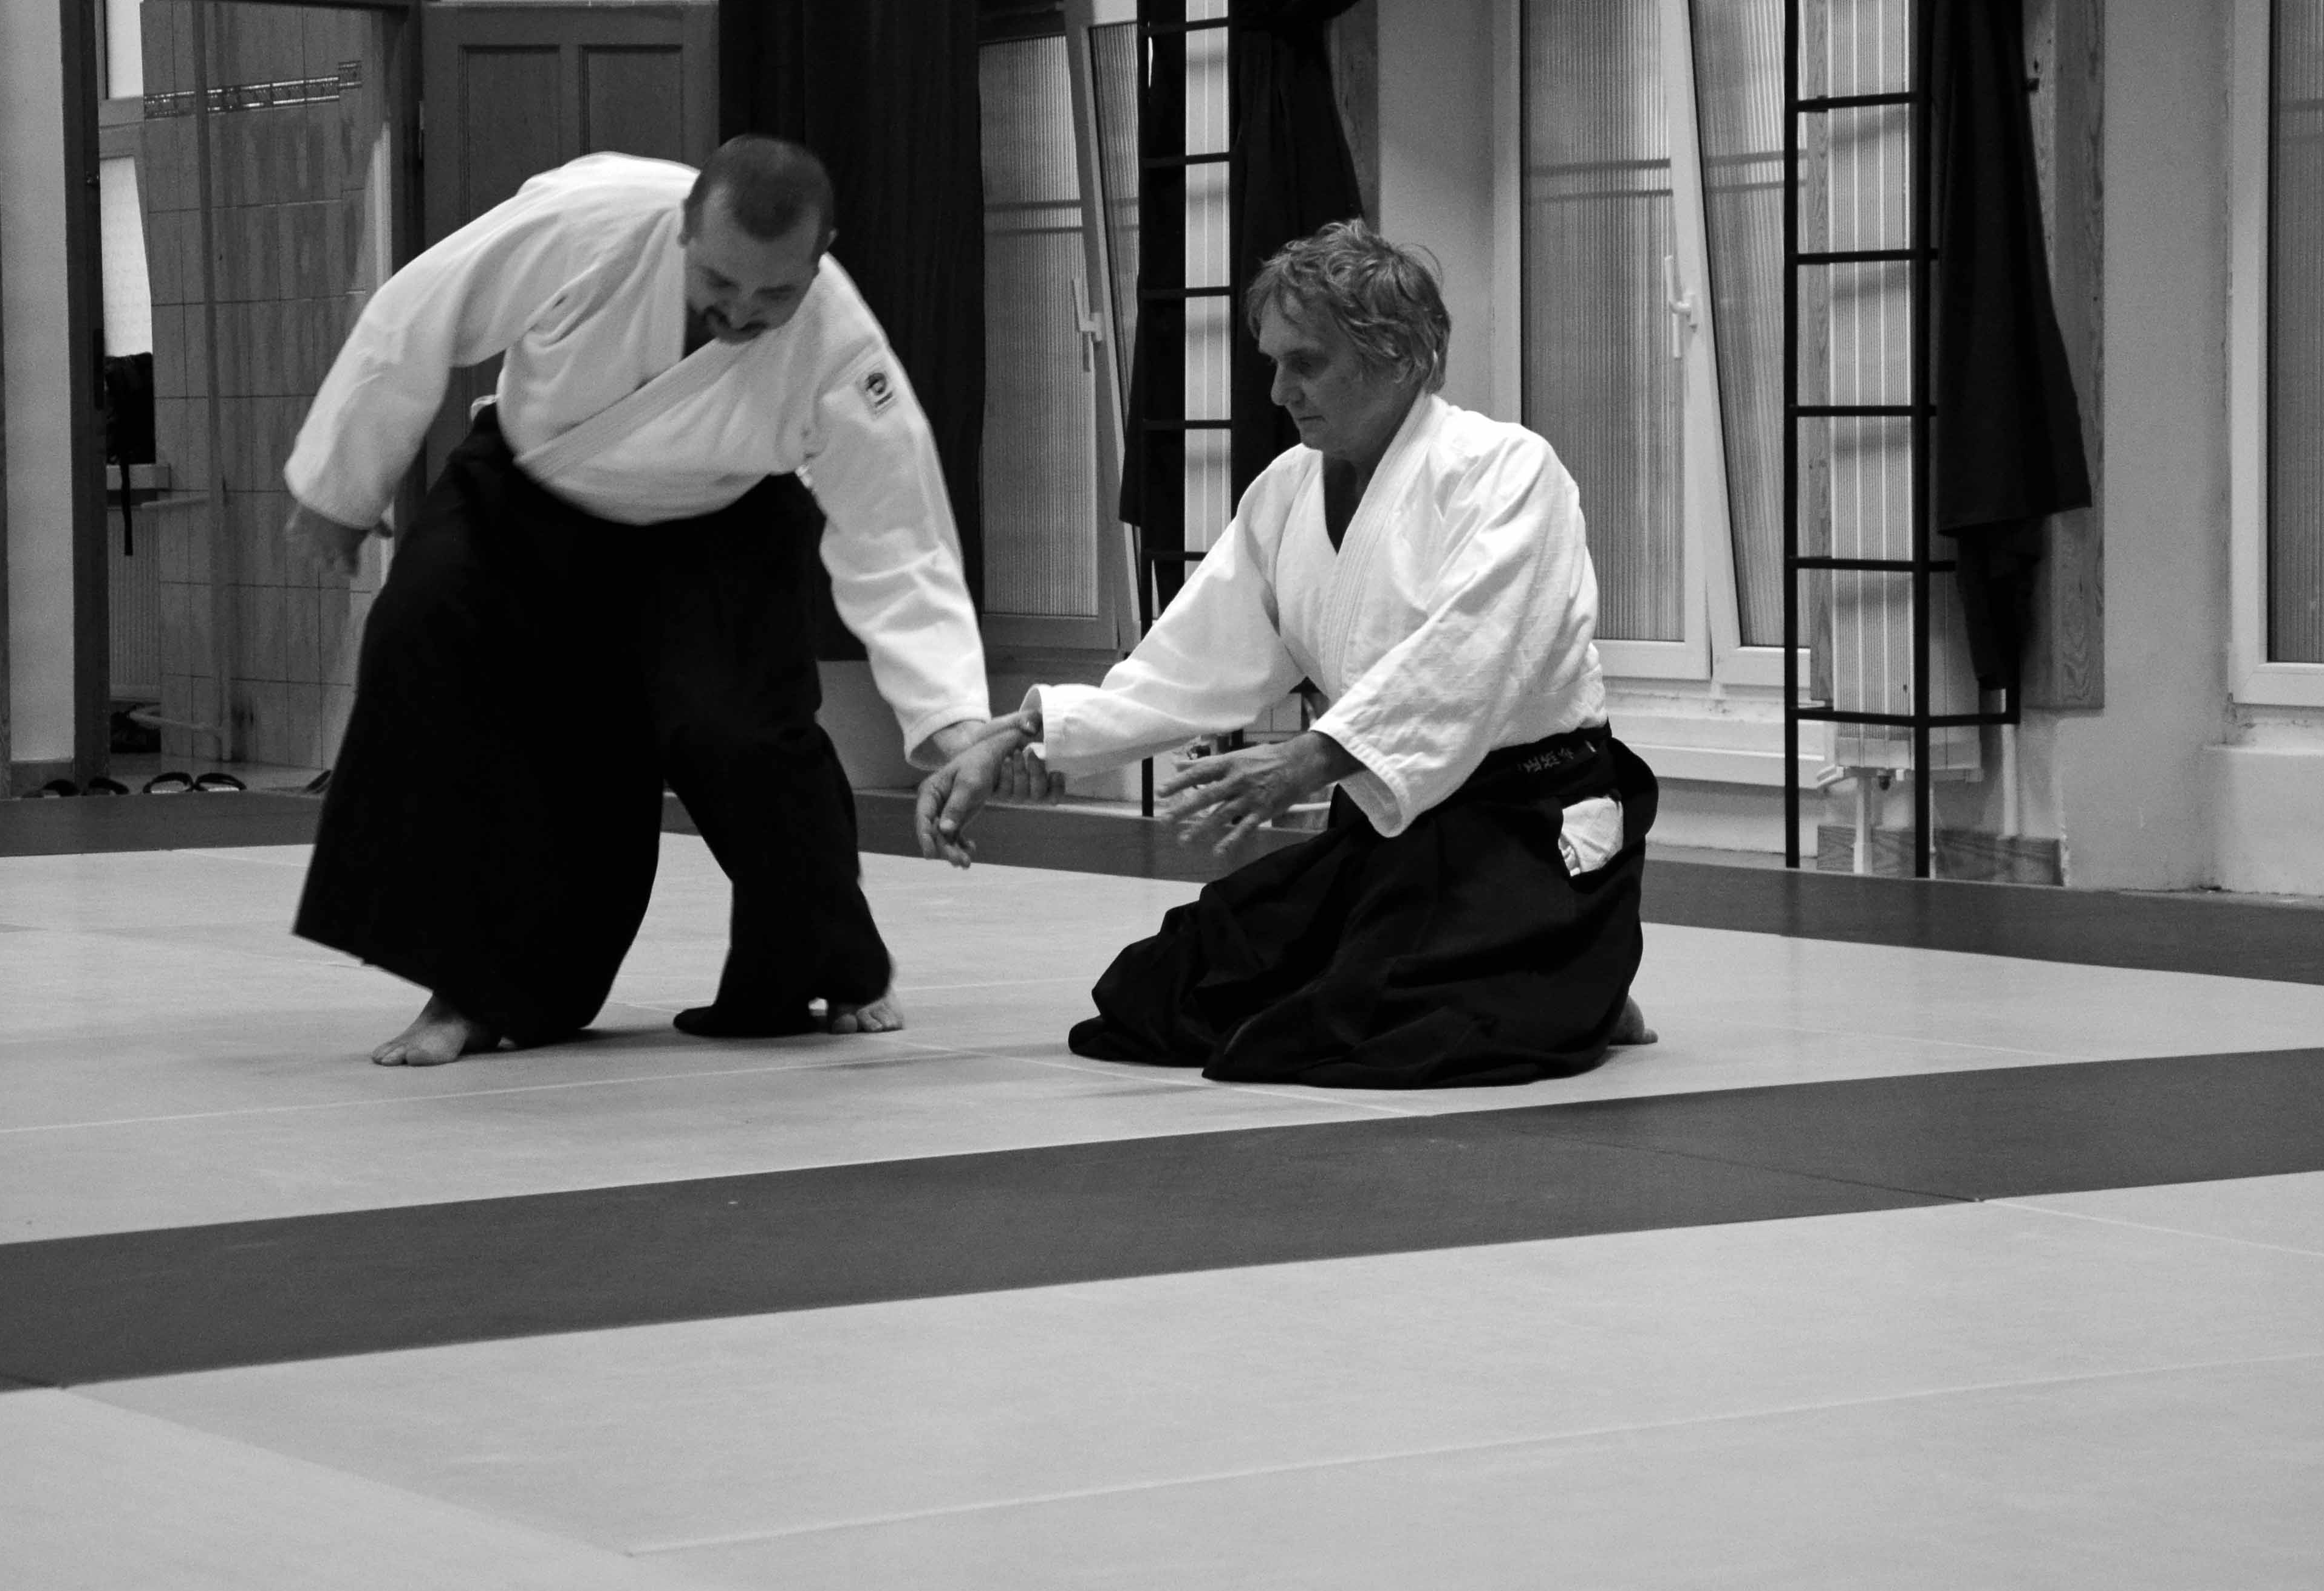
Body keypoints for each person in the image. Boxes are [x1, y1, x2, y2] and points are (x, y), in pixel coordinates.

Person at [283, 139, 996, 1066]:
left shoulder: (840, 340)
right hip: (527, 495)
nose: (742, 310)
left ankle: (827, 960)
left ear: (820, 257)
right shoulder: (589, 222)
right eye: (721, 280)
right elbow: (417, 315)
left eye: (776, 293)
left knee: (741, 734)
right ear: (684, 230)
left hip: (716, 524)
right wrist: (340, 487)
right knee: (421, 631)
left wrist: (952, 719)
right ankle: (475, 994)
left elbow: (898, 533)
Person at [919, 221, 1658, 1089]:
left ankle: (1583, 970)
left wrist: (1309, 759)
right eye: (1273, 362)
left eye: (1305, 363)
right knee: (1159, 997)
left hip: (1522, 817)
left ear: (1401, 357)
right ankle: (1551, 971)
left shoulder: (1505, 470)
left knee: (1386, 1031)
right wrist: (1029, 736)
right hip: (1388, 826)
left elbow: (1475, 654)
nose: (1278, 390)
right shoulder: (1287, 490)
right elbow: (1195, 658)